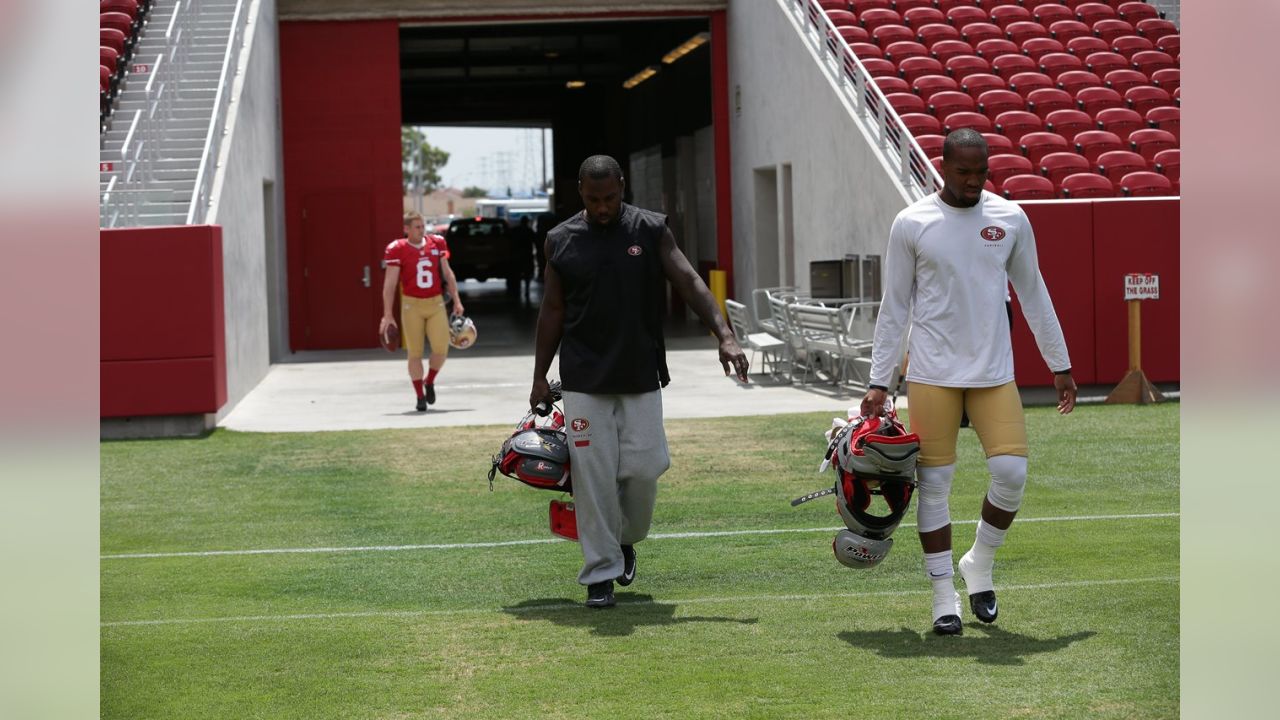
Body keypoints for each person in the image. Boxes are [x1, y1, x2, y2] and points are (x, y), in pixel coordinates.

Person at [861, 129, 1078, 636]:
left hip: (992, 374)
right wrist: (879, 380)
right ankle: (943, 599)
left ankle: (979, 563)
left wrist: (1060, 363)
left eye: (981, 172)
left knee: (1012, 474)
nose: (974, 182)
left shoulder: (1010, 218)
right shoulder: (911, 223)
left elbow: (1034, 293)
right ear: (943, 167)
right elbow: (894, 307)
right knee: (935, 486)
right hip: (932, 375)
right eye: (963, 172)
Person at [529, 154, 750, 609]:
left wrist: (725, 334)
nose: (603, 207)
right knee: (593, 478)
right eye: (594, 200)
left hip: (640, 373)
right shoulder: (561, 240)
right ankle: (600, 574)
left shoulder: (650, 229)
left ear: (623, 186)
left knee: (647, 467)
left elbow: (688, 280)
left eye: (610, 197)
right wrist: (538, 377)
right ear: (581, 193)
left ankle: (625, 539)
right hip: (583, 377)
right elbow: (552, 311)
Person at [381, 210, 465, 412]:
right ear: (406, 229)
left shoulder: (436, 243)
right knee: (415, 353)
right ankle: (419, 396)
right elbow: (390, 284)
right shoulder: (397, 248)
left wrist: (457, 300)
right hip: (412, 305)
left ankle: (429, 380)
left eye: (423, 226)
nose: (421, 230)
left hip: (435, 302)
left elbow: (447, 273)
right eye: (417, 227)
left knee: (441, 349)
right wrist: (388, 314)